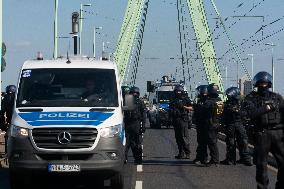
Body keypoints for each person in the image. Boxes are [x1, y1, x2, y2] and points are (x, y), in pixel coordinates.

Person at [243, 71, 284, 189]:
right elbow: (249, 114)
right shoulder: (251, 98)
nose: (263, 85)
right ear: (257, 84)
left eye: (265, 82)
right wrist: (267, 108)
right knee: (261, 165)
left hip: (278, 133)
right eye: (261, 83)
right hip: (262, 133)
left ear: (269, 83)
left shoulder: (277, 97)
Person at [220, 87, 252, 166]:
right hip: (235, 124)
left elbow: (246, 113)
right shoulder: (235, 103)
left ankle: (239, 159)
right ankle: (241, 159)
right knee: (240, 142)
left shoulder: (241, 103)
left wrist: (237, 111)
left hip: (236, 124)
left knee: (239, 142)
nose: (228, 96)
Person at [124, 86, 146, 164]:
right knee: (127, 143)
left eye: (136, 93)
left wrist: (143, 125)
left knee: (137, 143)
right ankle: (124, 158)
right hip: (128, 124)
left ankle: (138, 159)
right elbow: (123, 113)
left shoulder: (140, 102)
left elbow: (143, 115)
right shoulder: (127, 100)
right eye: (133, 93)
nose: (135, 94)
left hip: (136, 124)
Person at [169, 85, 193, 159]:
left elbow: (191, 107)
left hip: (183, 119)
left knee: (184, 137)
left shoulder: (185, 99)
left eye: (179, 91)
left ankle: (187, 153)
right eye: (176, 91)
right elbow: (170, 108)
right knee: (178, 138)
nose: (177, 92)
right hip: (175, 120)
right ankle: (181, 153)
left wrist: (183, 107)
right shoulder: (173, 99)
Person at [203, 83, 221, 166]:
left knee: (212, 143)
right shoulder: (220, 101)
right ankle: (215, 159)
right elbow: (220, 113)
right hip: (217, 123)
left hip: (210, 124)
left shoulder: (208, 102)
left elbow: (204, 111)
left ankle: (214, 160)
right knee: (214, 142)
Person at [193, 85, 209, 165]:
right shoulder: (200, 101)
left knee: (204, 142)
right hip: (200, 124)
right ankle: (199, 157)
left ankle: (204, 158)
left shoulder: (207, 102)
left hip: (205, 125)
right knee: (200, 142)